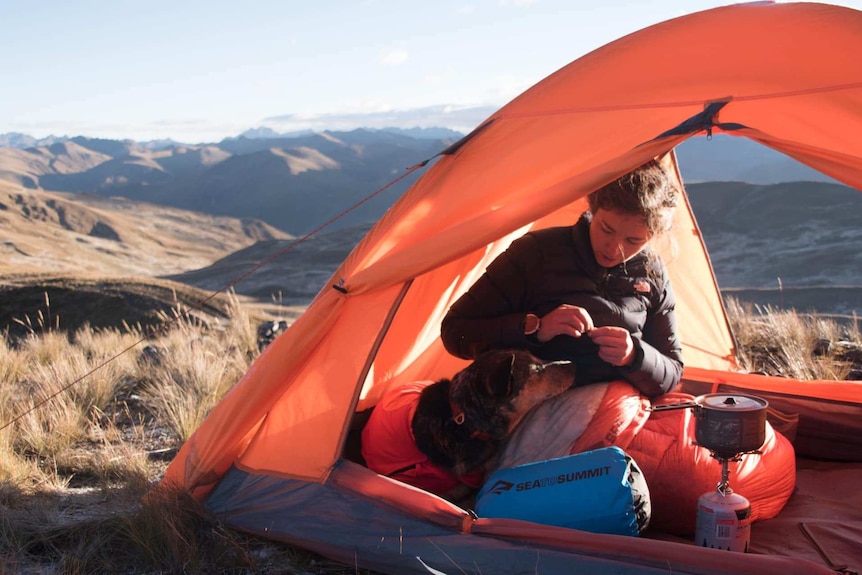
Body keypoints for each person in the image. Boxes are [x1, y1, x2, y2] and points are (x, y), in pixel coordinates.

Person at [440, 158, 683, 398]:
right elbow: (456, 332)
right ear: (592, 208)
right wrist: (535, 327)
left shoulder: (653, 271)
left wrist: (634, 356)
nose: (613, 249)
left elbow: (672, 371)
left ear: (652, 237)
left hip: (615, 408)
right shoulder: (536, 253)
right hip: (532, 407)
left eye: (634, 241)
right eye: (606, 229)